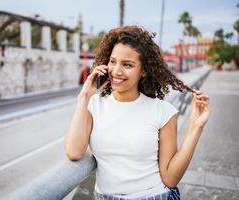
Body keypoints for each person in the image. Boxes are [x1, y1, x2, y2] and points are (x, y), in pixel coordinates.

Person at [65, 25, 211, 200]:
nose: (116, 71)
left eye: (127, 65)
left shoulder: (162, 111)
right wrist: (84, 96)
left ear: (143, 71)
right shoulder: (94, 104)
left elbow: (170, 178)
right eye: (113, 61)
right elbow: (74, 152)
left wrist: (196, 127)